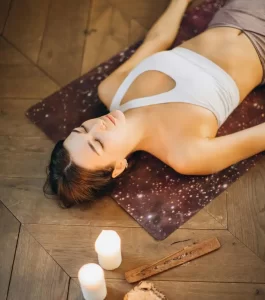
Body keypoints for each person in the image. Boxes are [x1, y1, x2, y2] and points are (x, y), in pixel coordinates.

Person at [45, 0, 265, 207]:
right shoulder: (186, 155)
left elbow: (157, 40)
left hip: (232, 13)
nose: (97, 126)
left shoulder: (111, 89)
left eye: (83, 128)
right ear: (118, 166)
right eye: (98, 143)